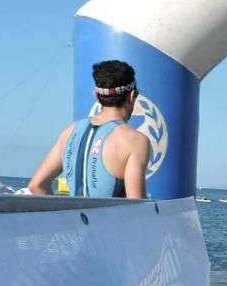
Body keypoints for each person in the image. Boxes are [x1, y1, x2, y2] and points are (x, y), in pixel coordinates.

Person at [28, 60, 151, 198]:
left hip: (72, 218)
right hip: (110, 220)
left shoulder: (70, 131)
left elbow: (36, 185)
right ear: (131, 96)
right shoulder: (135, 141)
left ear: (96, 97)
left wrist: (62, 214)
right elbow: (137, 207)